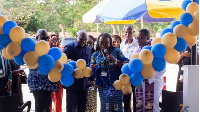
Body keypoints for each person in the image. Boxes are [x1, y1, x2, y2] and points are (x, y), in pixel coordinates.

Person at [90, 33, 129, 112]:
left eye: (106, 42)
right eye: (101, 42)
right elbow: (91, 70)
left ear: (110, 42)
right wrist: (94, 68)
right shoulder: (95, 54)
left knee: (117, 105)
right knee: (105, 105)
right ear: (98, 42)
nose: (103, 44)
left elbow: (126, 63)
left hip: (117, 83)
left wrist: (115, 60)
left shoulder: (116, 51)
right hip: (103, 84)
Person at [28, 29, 59, 112]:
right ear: (37, 38)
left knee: (47, 108)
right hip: (38, 86)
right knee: (40, 109)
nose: (45, 40)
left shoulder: (47, 50)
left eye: (47, 38)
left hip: (48, 86)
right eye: (43, 38)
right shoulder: (32, 50)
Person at [134, 29, 165, 112]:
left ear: (147, 38)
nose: (138, 40)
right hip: (140, 83)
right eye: (137, 38)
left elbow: (161, 68)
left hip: (153, 82)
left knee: (153, 106)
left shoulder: (155, 50)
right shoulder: (137, 50)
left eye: (141, 38)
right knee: (140, 104)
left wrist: (149, 77)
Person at [63, 30, 91, 112]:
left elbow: (89, 64)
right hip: (72, 83)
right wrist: (69, 61)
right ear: (76, 36)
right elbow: (63, 61)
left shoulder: (88, 49)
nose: (83, 41)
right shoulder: (69, 47)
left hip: (84, 84)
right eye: (81, 39)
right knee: (71, 108)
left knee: (82, 108)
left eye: (85, 39)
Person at [120, 25, 138, 112]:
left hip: (135, 73)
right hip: (124, 74)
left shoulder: (137, 43)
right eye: (126, 32)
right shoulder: (122, 44)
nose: (128, 34)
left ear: (133, 33)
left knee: (135, 96)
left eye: (130, 32)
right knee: (126, 97)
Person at [48, 34, 63, 112]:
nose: (55, 41)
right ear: (49, 41)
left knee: (59, 98)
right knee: (49, 98)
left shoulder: (61, 51)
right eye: (53, 39)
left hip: (58, 77)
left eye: (56, 39)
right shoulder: (46, 51)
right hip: (49, 77)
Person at [86, 35, 97, 112]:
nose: (90, 45)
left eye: (92, 43)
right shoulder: (82, 52)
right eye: (88, 43)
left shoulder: (95, 54)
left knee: (92, 102)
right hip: (83, 81)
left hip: (93, 82)